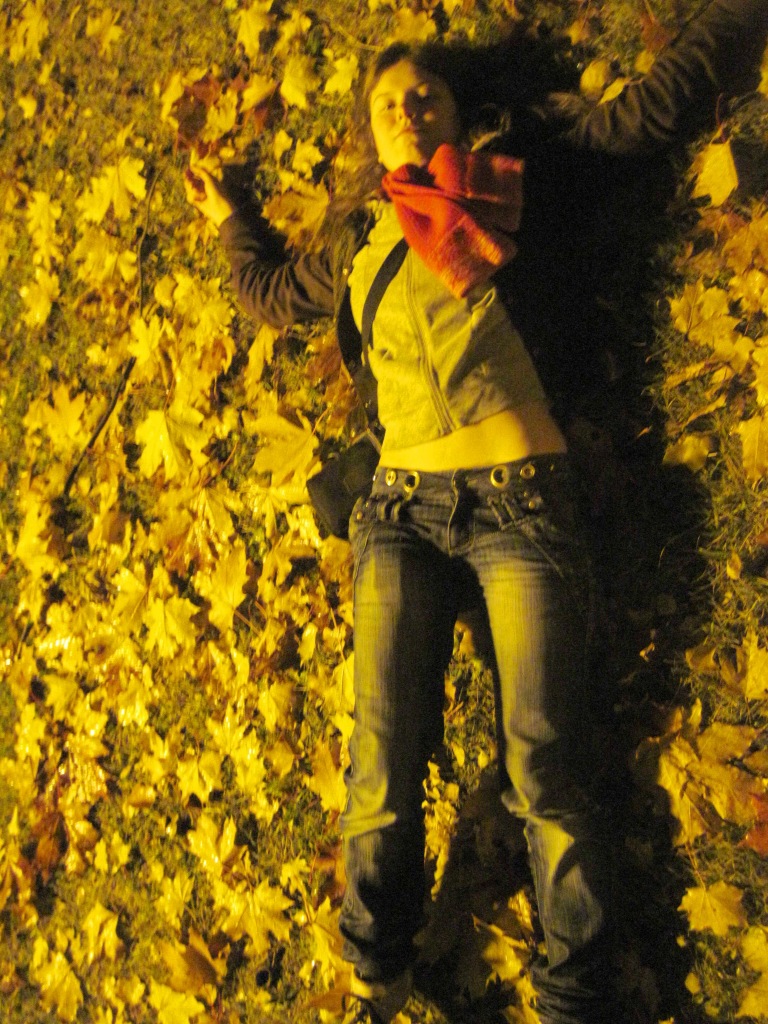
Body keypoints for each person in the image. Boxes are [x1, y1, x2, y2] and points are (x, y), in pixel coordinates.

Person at [186, 3, 768, 1021]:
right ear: (371, 138)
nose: (410, 110)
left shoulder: (520, 178)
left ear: (459, 110)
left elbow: (649, 113)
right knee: (382, 758)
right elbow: (272, 292)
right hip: (397, 512)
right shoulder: (362, 240)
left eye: (427, 95)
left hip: (520, 501)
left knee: (545, 763)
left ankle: (575, 994)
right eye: (389, 104)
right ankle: (377, 969)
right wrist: (232, 215)